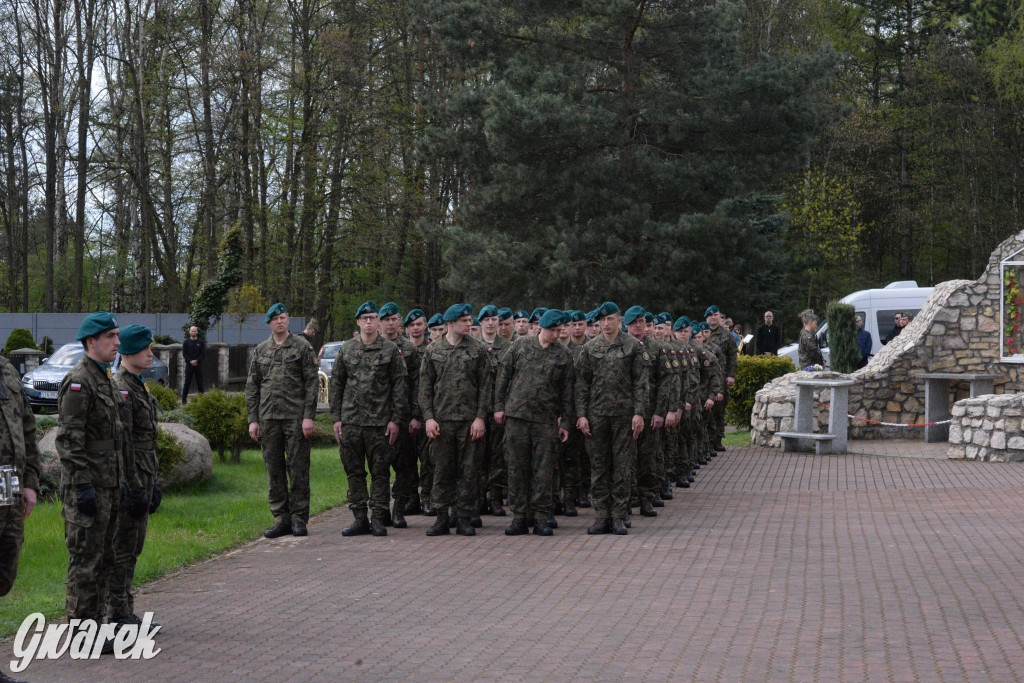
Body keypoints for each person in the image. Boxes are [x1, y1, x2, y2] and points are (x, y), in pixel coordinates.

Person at [57, 312, 146, 650]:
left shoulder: (105, 379)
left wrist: (130, 483)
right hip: (88, 488)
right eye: (110, 336)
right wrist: (82, 485)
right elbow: (70, 440)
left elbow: (118, 440)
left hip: (109, 487)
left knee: (105, 558)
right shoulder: (79, 381)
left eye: (117, 336)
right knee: (85, 561)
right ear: (91, 341)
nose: (117, 343)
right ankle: (82, 633)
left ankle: (98, 626)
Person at [494, 309, 575, 536]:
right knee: (516, 467)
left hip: (546, 420)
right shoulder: (521, 346)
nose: (556, 335)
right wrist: (499, 407)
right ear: (542, 328)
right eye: (553, 330)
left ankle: (541, 516)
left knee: (544, 470)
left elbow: (568, 391)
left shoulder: (564, 354)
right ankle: (520, 516)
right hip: (517, 417)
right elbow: (503, 376)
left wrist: (565, 422)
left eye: (559, 331)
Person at [332, 302, 408, 537]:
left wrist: (395, 420)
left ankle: (377, 518)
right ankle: (359, 518)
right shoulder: (347, 349)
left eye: (373, 318)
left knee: (380, 473)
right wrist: (336, 418)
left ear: (378, 321)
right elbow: (337, 383)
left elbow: (399, 386)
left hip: (380, 424)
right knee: (354, 473)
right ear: (358, 322)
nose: (369, 322)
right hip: (351, 422)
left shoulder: (390, 350)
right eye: (364, 318)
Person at [246, 303, 319, 538]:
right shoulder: (261, 350)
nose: (280, 321)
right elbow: (253, 386)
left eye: (283, 317)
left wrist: (308, 416)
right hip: (268, 418)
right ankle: (280, 518)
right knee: (274, 470)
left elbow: (312, 383)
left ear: (288, 320)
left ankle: (299, 518)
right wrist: (253, 419)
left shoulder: (302, 346)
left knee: (298, 469)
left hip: (295, 418)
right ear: (269, 323)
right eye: (275, 318)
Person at [575, 302, 648, 536]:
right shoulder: (590, 348)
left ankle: (618, 516)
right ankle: (601, 516)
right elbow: (582, 384)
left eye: (610, 319)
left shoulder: (633, 346)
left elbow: (641, 383)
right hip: (597, 416)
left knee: (622, 467)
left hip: (624, 416)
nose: (606, 324)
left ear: (619, 321)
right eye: (602, 320)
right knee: (598, 467)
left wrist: (639, 413)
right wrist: (581, 415)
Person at [419, 304, 493, 536]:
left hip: (469, 422)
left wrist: (480, 417)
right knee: (441, 470)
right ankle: (441, 517)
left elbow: (486, 387)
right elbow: (425, 387)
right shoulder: (433, 350)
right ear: (451, 323)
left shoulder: (478, 350)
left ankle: (463, 517)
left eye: (470, 320)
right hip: (441, 422)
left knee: (468, 471)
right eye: (464, 321)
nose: (469, 324)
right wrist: (428, 418)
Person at [108, 325, 162, 629]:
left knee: (134, 547)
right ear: (128, 352)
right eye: (145, 348)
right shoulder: (122, 388)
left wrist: (154, 481)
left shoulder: (139, 385)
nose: (150, 353)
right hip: (130, 479)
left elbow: (147, 439)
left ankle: (125, 611)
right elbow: (124, 442)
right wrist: (132, 485)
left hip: (144, 474)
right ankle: (117, 614)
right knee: (123, 548)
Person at [624, 307, 677, 518]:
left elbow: (665, 381)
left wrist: (661, 411)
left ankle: (647, 498)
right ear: (626, 325)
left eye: (641, 322)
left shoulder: (656, 348)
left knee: (648, 458)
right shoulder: (620, 346)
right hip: (624, 412)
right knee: (624, 460)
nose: (638, 326)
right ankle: (627, 500)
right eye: (634, 322)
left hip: (649, 412)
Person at [0, 341, 40, 600]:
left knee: (5, 571)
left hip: (10, 489)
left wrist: (30, 482)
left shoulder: (7, 370)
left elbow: (27, 427)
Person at [378, 303, 420, 527]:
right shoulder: (373, 346)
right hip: (377, 417)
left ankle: (399, 509)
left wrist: (416, 415)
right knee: (379, 466)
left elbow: (418, 384)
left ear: (400, 321)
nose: (390, 323)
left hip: (403, 417)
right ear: (380, 322)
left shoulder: (409, 349)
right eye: (386, 320)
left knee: (404, 466)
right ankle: (382, 509)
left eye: (394, 319)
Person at [705, 306, 737, 453]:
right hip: (705, 378)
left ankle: (717, 439)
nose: (713, 317)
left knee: (719, 409)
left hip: (721, 377)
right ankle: (707, 442)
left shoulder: (726, 335)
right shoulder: (702, 332)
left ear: (719, 317)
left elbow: (732, 356)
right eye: (710, 315)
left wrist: (731, 375)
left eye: (715, 315)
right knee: (707, 411)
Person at [181, 325, 206, 405]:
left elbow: (203, 354)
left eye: (195, 331)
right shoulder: (186, 342)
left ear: (197, 332)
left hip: (198, 365)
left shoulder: (201, 342)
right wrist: (190, 361)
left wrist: (196, 360)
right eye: (192, 331)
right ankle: (183, 400)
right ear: (189, 332)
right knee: (187, 382)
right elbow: (184, 354)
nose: (193, 332)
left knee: (200, 382)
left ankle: (202, 400)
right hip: (189, 365)